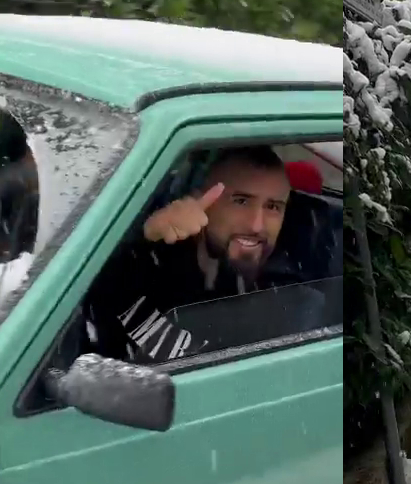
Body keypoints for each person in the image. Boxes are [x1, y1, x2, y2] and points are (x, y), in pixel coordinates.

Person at [85, 145, 294, 363]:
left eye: (273, 207)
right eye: (241, 201)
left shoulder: (289, 289)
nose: (256, 225)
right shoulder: (141, 272)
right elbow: (87, 279)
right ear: (198, 201)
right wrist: (140, 235)